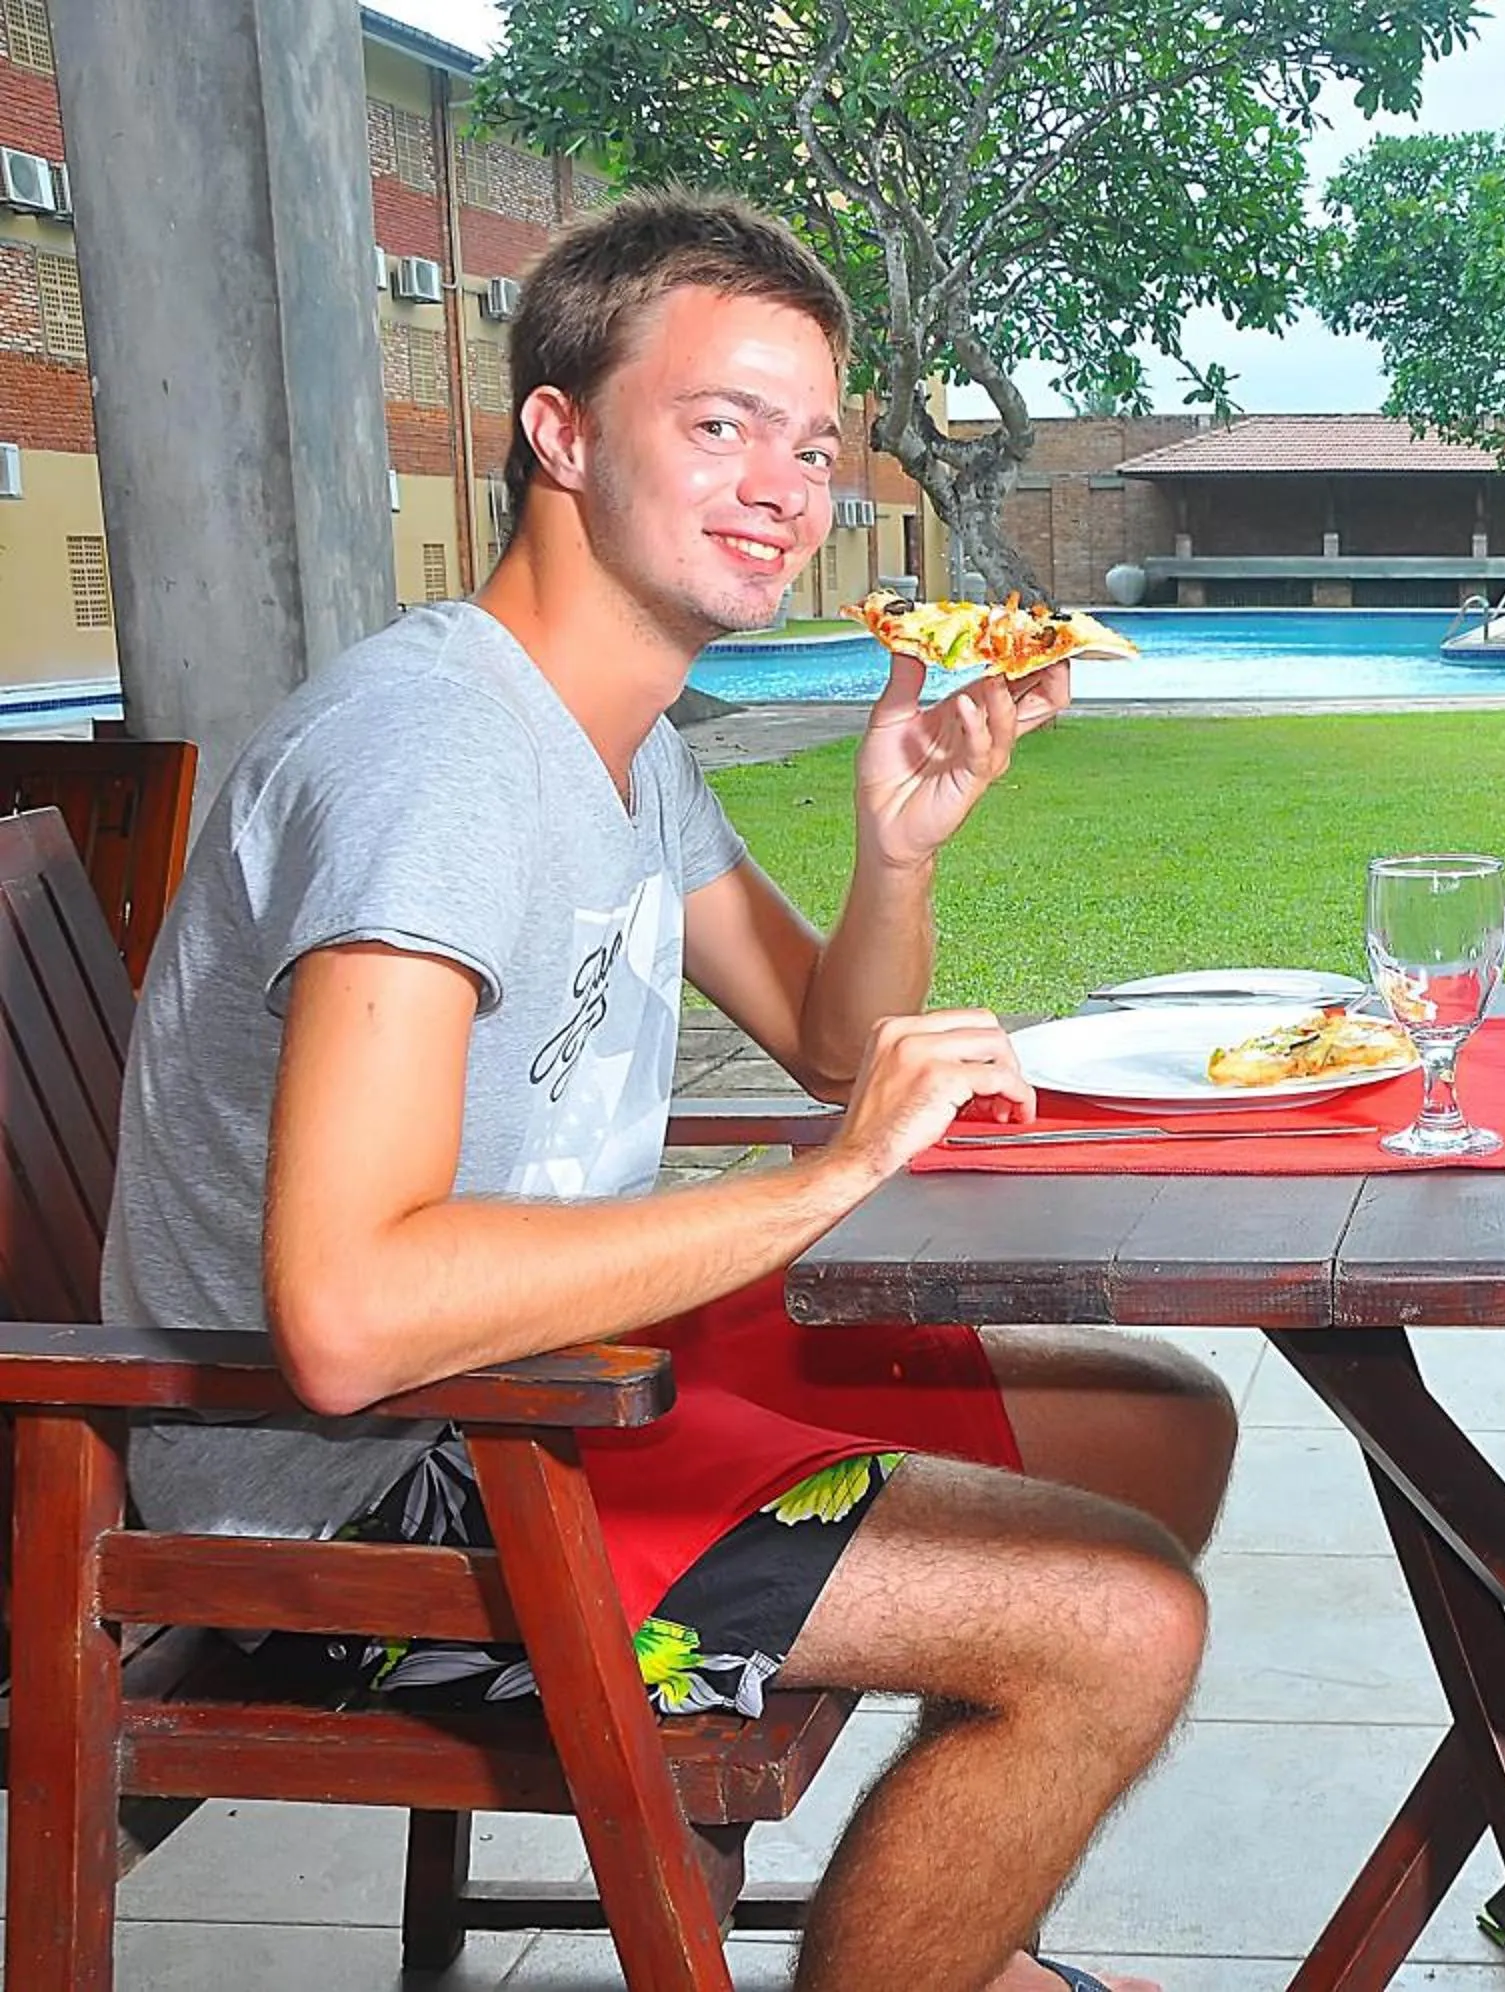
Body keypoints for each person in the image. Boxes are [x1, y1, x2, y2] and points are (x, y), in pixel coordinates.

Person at [105, 190, 1232, 1992]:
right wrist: (811, 1190)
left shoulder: (609, 740)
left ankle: (951, 1936)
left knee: (1161, 1428)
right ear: (558, 431)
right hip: (367, 1494)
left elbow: (822, 1039)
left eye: (810, 438)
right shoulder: (437, 759)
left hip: (556, 1381)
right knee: (1122, 1619)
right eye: (719, 424)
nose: (788, 485)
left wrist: (900, 856)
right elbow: (347, 1316)